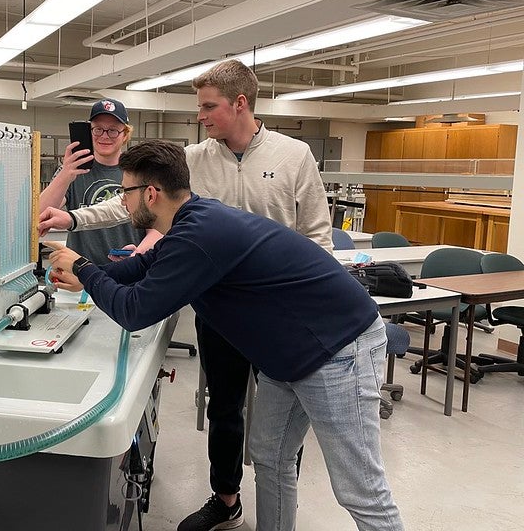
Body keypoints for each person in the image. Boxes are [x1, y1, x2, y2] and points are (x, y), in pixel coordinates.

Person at [44, 140, 404, 531]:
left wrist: (82, 266)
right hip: (291, 357)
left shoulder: (199, 234)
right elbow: (139, 269)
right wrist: (85, 277)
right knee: (270, 458)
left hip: (338, 347)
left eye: (124, 192)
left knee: (360, 490)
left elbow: (134, 311)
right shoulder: (190, 221)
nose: (122, 203)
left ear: (151, 193)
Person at [38, 60, 332, 530]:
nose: (200, 115)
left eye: (208, 106)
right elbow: (131, 200)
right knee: (224, 407)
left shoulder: (293, 156)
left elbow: (317, 236)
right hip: (220, 309)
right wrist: (74, 220)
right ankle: (227, 499)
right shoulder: (196, 158)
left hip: (280, 315)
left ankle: (279, 503)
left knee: (281, 424)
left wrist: (311, 303)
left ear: (241, 104)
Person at [39, 97, 146, 265]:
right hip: (81, 274)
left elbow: (154, 224)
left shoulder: (138, 171)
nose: (104, 136)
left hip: (129, 270)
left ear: (125, 135)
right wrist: (66, 174)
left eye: (113, 130)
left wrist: (141, 252)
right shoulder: (73, 170)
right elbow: (39, 214)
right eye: (98, 129)